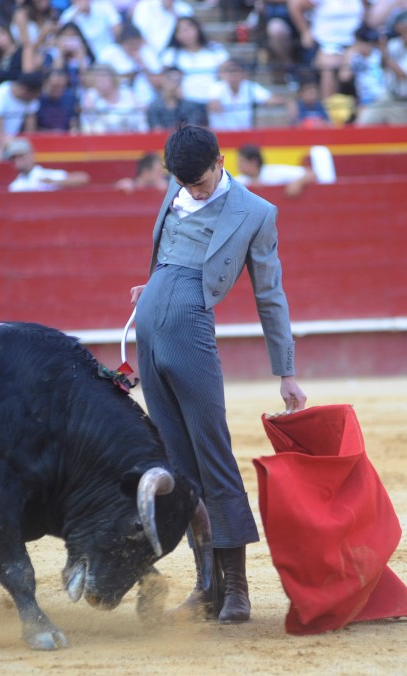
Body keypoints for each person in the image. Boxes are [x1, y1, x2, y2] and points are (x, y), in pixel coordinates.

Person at [129, 125, 307, 625]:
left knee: (213, 455)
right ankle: (207, 586)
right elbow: (167, 253)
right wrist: (154, 285)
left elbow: (269, 295)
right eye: (184, 183)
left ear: (221, 160)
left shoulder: (256, 212)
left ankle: (238, 590)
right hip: (149, 329)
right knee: (178, 463)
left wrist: (286, 371)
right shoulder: (178, 184)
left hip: (190, 329)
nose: (193, 190)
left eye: (201, 182)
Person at [356, 10, 407, 126]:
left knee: (399, 139)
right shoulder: (396, 41)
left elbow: (403, 73)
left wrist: (386, 54)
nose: (400, 34)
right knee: (363, 124)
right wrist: (382, 49)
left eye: (403, 30)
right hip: (389, 96)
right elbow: (384, 67)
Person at [287, 0, 365, 100]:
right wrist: (305, 31)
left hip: (355, 44)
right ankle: (328, 109)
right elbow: (295, 3)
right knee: (329, 67)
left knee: (349, 70)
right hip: (326, 44)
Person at [160, 16, 229, 106]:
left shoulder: (216, 49)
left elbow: (226, 74)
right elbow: (165, 78)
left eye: (188, 29)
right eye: (180, 31)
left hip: (215, 102)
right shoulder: (172, 54)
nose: (185, 34)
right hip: (184, 104)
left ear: (197, 29)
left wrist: (216, 96)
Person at [206, 57, 287, 131]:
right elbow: (213, 102)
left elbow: (270, 99)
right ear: (224, 74)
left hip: (244, 135)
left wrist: (288, 102)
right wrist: (214, 104)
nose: (233, 75)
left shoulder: (250, 87)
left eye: (236, 71)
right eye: (229, 71)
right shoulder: (216, 87)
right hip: (221, 135)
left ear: (243, 73)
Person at [78, 62, 147, 133]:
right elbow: (87, 124)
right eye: (97, 78)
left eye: (103, 77)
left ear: (113, 78)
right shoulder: (91, 96)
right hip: (101, 140)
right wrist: (89, 110)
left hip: (129, 137)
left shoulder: (127, 93)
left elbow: (140, 120)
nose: (100, 81)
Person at [6, 136, 90, 191]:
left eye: (21, 156)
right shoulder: (14, 186)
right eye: (14, 158)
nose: (18, 160)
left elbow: (83, 178)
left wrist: (53, 182)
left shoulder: (46, 175)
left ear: (31, 155)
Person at [235, 143, 317, 197]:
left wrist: (298, 183)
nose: (239, 165)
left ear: (253, 162)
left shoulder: (273, 172)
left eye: (242, 161)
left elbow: (311, 174)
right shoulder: (239, 181)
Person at [0, 70, 41, 134]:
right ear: (24, 91)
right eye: (35, 95)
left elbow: (31, 132)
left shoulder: (30, 99)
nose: (35, 98)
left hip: (15, 141)